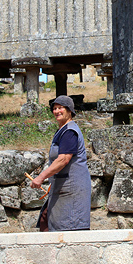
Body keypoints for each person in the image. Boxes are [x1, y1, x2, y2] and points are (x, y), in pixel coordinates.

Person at [31, 95, 91, 231]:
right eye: (54, 108)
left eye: (60, 108)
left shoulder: (70, 131)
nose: (57, 111)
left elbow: (63, 159)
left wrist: (41, 177)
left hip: (72, 190)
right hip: (62, 187)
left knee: (69, 227)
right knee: (46, 221)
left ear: (69, 111)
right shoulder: (62, 130)